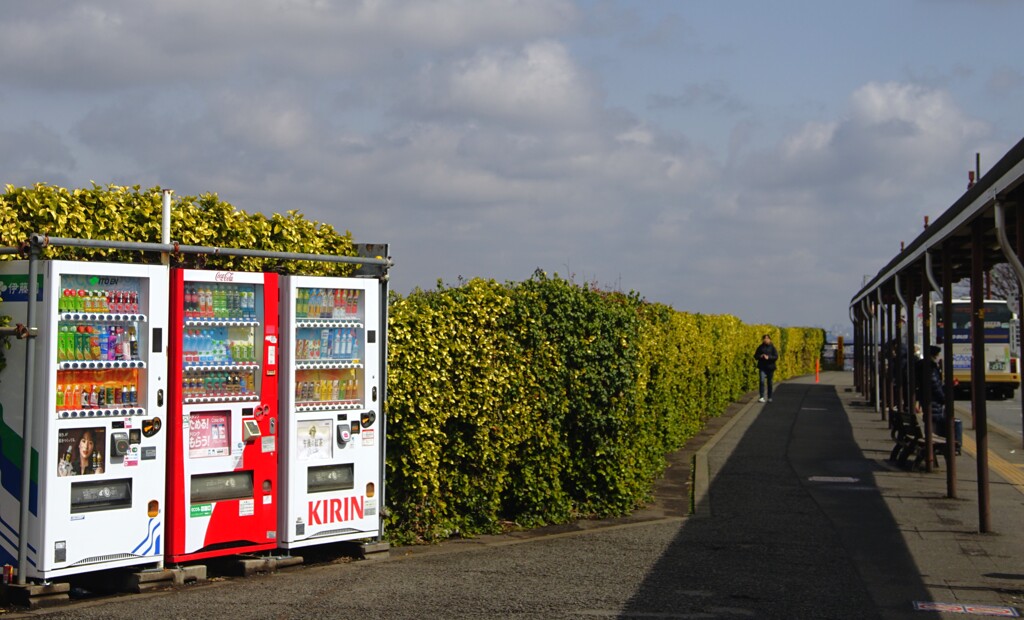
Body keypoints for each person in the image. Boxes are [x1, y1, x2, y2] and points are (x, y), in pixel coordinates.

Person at [753, 334, 779, 403]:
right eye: (764, 338)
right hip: (762, 367)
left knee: (769, 382)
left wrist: (769, 357)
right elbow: (755, 356)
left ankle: (769, 397)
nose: (766, 340)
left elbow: (776, 356)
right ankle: (761, 396)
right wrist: (761, 356)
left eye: (767, 338)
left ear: (770, 339)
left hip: (770, 367)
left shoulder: (772, 347)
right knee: (761, 381)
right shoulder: (760, 347)